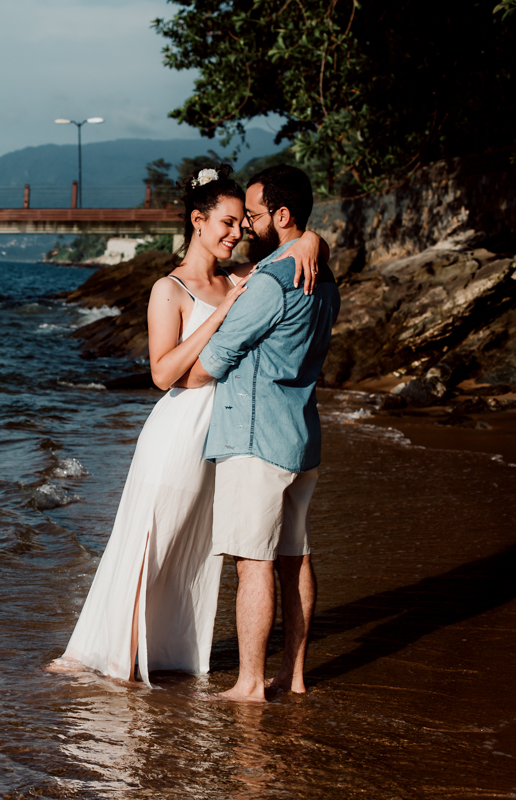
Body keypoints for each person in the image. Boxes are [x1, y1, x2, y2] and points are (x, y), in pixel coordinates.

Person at [49, 165, 326, 685]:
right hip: (179, 430)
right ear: (197, 222)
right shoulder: (168, 289)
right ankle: (113, 655)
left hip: (229, 434)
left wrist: (311, 240)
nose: (237, 232)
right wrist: (219, 318)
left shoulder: (243, 277)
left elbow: (292, 244)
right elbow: (161, 373)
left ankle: (172, 652)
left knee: (197, 551)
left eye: (243, 223)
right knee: (152, 540)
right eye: (226, 222)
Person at [183, 164, 342, 702]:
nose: (247, 226)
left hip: (255, 440)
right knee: (295, 557)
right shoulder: (323, 278)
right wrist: (311, 241)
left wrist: (178, 381)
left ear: (282, 215)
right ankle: (293, 676)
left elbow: (219, 355)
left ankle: (250, 682)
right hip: (301, 437)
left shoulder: (274, 281)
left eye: (253, 214)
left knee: (254, 563)